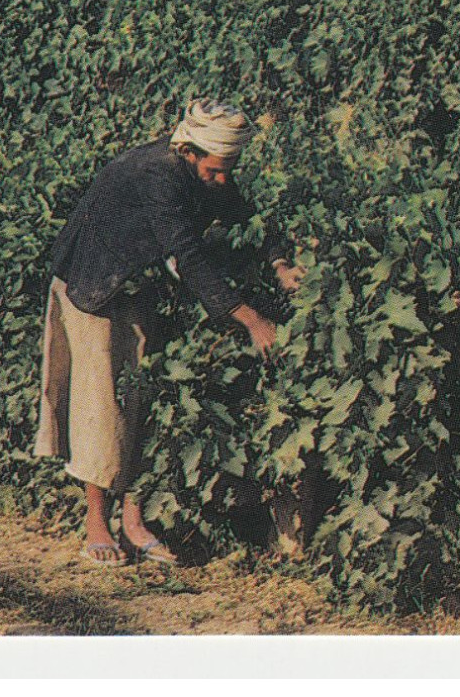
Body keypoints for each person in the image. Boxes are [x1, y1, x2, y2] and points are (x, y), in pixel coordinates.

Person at [34, 98, 303, 566]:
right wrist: (254, 320)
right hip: (94, 283)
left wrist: (279, 263)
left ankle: (134, 522)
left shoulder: (204, 166)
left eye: (228, 170)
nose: (222, 180)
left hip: (139, 283)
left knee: (148, 400)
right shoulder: (155, 175)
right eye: (217, 170)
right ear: (191, 151)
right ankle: (96, 522)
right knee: (103, 402)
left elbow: (245, 214)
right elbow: (189, 254)